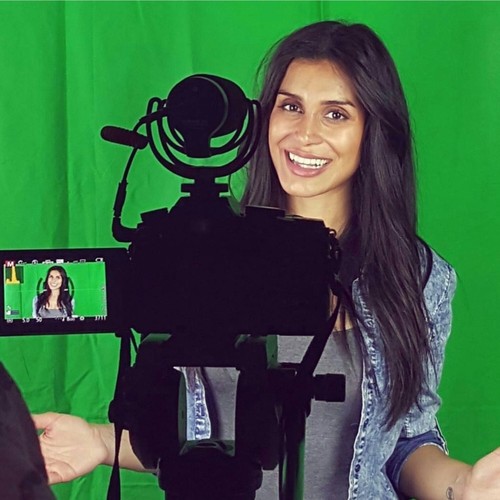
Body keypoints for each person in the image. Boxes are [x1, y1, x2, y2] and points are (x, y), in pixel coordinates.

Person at [32, 20, 500, 499]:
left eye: (335, 114)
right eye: (290, 107)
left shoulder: (416, 277)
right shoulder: (204, 254)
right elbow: (191, 439)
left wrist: (462, 485)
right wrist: (99, 441)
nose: (305, 134)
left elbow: (405, 441)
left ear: (372, 130)